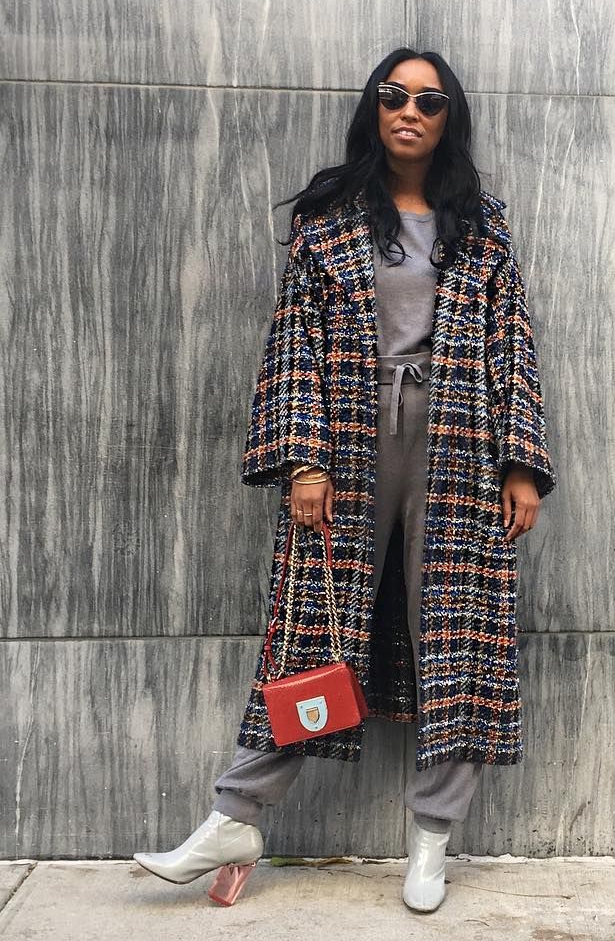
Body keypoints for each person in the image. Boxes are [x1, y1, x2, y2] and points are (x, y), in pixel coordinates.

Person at [134, 48, 557, 913]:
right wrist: (304, 457)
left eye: (430, 102)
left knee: (460, 637)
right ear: (373, 108)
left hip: (461, 442)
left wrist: (520, 464)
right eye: (394, 96)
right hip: (348, 439)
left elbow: (511, 341)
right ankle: (236, 815)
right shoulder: (329, 219)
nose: (410, 112)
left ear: (449, 119)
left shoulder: (481, 223)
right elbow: (294, 340)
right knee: (313, 633)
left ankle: (432, 840)